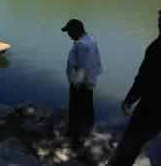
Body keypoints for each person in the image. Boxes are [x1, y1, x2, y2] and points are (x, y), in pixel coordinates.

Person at [108, 10, 161, 166]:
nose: (158, 22)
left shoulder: (157, 48)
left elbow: (144, 78)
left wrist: (130, 99)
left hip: (151, 107)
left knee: (129, 146)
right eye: (159, 18)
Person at [61, 19, 103, 145]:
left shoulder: (82, 45)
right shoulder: (90, 39)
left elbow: (82, 67)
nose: (68, 34)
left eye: (69, 32)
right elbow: (94, 63)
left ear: (76, 30)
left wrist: (76, 84)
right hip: (90, 80)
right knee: (87, 107)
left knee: (76, 109)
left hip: (81, 83)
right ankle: (87, 131)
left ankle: (75, 138)